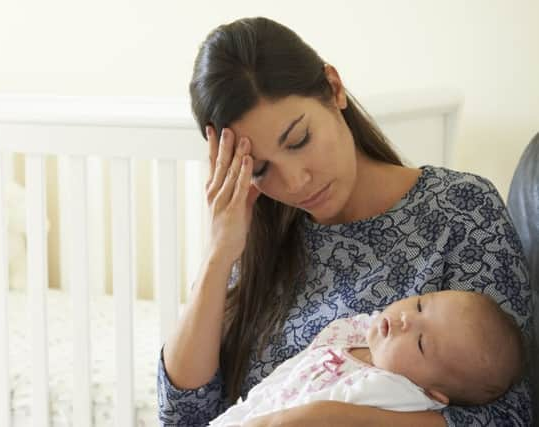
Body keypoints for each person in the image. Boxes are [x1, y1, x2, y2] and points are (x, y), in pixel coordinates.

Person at [158, 16, 533, 427]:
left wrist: (325, 417)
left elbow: (508, 415)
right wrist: (218, 255)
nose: (296, 181)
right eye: (262, 169)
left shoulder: (460, 209)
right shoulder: (255, 241)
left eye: (299, 140)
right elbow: (183, 416)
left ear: (334, 89)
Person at [208, 290, 525, 426]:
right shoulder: (367, 333)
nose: (406, 321)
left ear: (431, 393)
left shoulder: (394, 392)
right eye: (419, 306)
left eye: (421, 343)